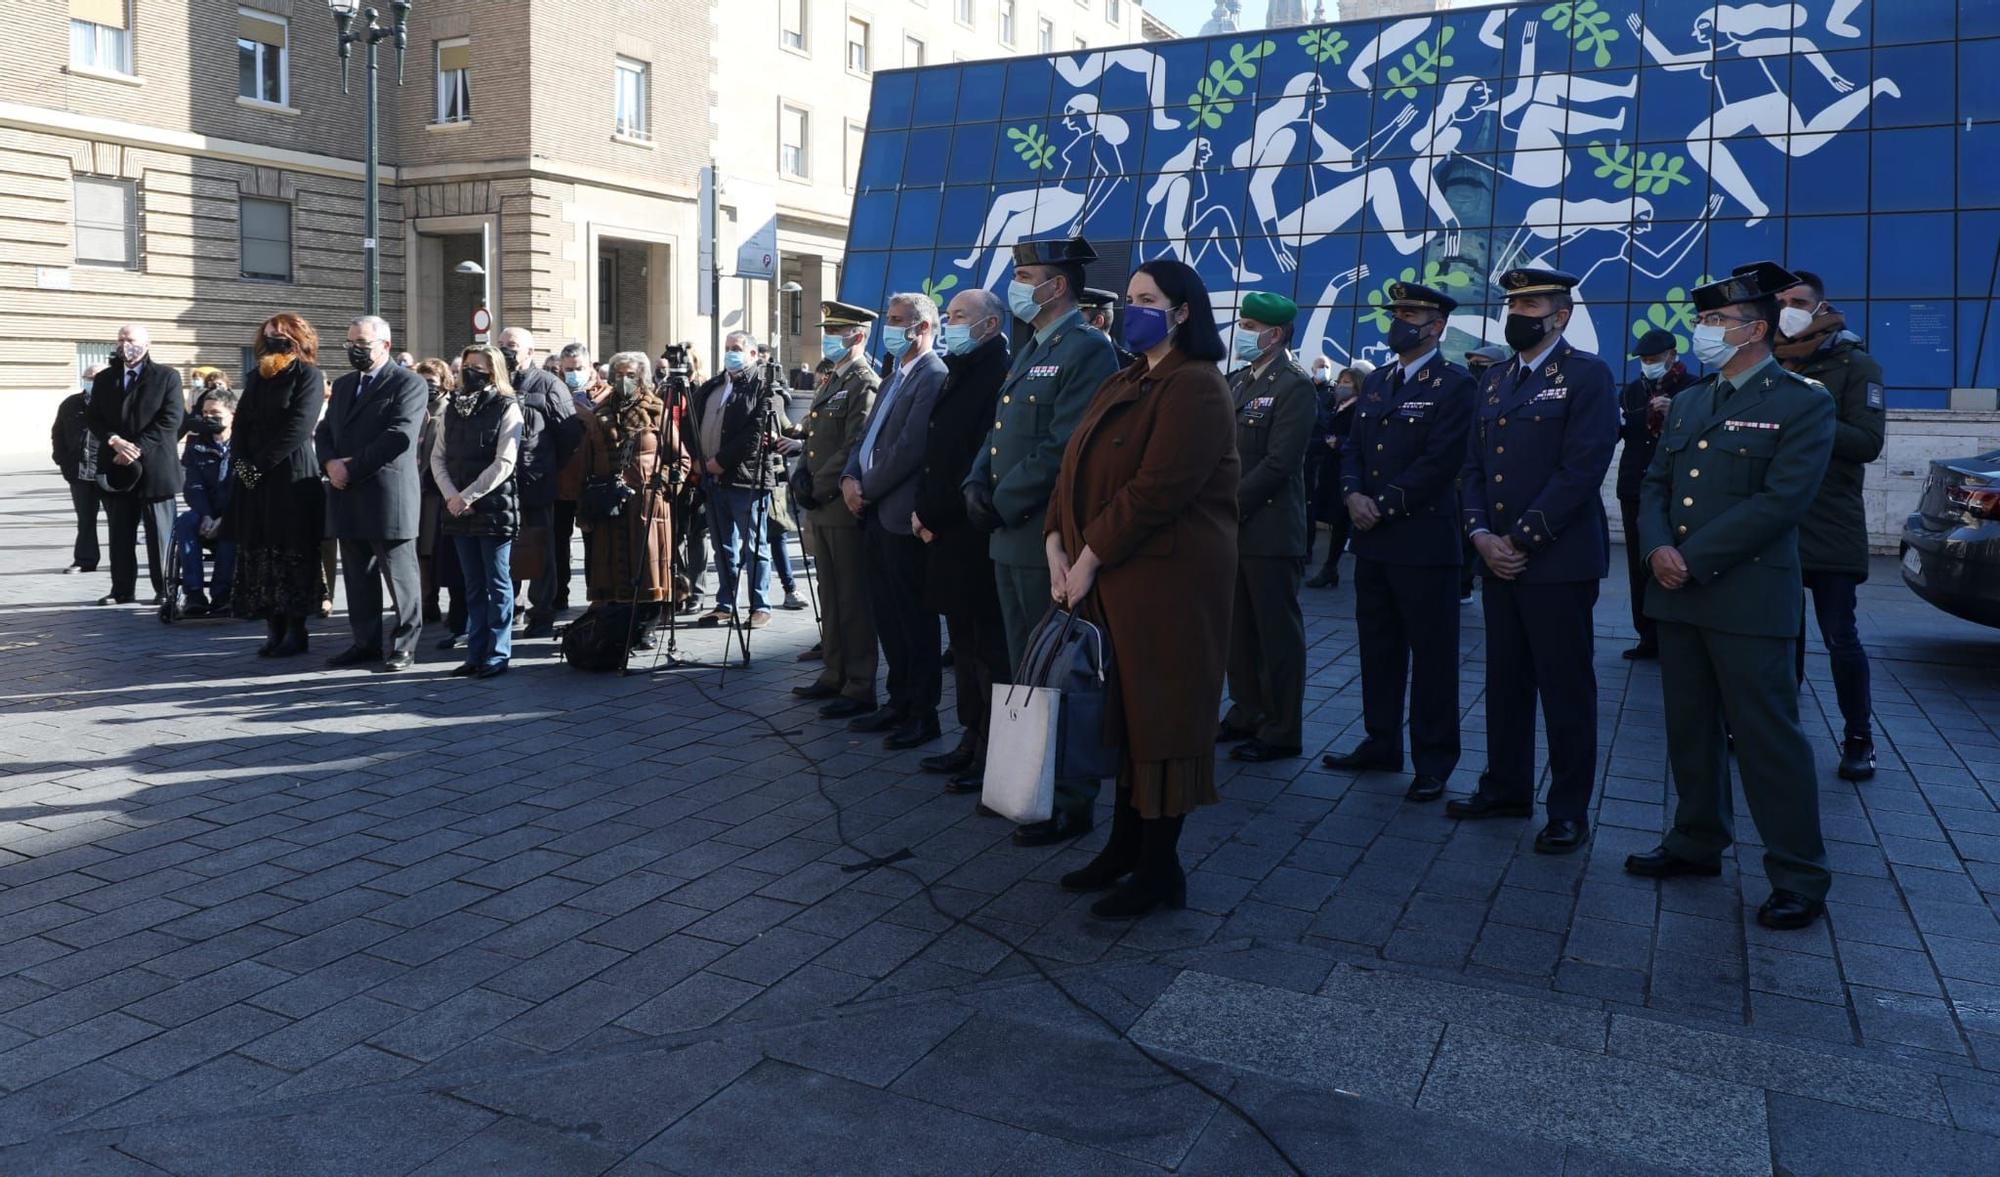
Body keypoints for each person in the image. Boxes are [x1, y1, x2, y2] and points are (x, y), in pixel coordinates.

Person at [1627, 261, 1838, 932]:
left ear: (1756, 329)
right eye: (1704, 320)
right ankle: (1696, 840)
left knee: (1767, 735)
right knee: (1688, 726)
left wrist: (1690, 557)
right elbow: (1655, 485)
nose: (1704, 331)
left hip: (1746, 596)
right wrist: (1657, 548)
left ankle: (1798, 872)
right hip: (1677, 592)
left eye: (1716, 320)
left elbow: (1782, 503)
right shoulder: (1690, 401)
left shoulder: (1802, 400)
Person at [1047, 258, 1238, 920]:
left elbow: (1155, 490)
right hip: (1113, 579)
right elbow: (1074, 465)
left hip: (1168, 588)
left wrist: (1090, 557)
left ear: (1183, 311)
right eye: (1130, 298)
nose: (1133, 309)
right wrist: (1055, 543)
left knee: (1163, 727)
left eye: (1147, 299)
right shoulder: (1129, 377)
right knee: (1124, 722)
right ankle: (1123, 849)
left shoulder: (1196, 387)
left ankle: (1161, 868)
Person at [963, 235, 1120, 848]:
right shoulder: (1034, 345)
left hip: (1042, 535)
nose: (1018, 284)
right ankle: (1024, 782)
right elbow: (999, 432)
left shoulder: (1086, 348)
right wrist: (975, 483)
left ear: (1057, 285)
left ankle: (1068, 800)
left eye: (1027, 275)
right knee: (1019, 667)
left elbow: (1064, 444)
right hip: (1008, 535)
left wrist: (1000, 500)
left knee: (1056, 672)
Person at [1456, 268, 1620, 855]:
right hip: (1496, 558)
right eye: (1513, 303)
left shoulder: (1587, 376)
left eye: (1531, 303)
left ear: (1561, 315)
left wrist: (1519, 540)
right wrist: (1479, 536)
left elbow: (1582, 469)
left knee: (1565, 688)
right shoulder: (1495, 379)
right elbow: (1474, 466)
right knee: (1504, 682)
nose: (1518, 312)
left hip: (1555, 561)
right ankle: (1505, 786)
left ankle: (1569, 809)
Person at [1322, 284, 1474, 803]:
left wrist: (1380, 503)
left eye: (1411, 314)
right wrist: (1352, 494)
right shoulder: (1380, 380)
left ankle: (1433, 760)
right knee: (1378, 648)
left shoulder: (1455, 384)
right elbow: (1352, 450)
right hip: (1374, 543)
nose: (1399, 322)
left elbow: (1442, 460)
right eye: (1397, 313)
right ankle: (1380, 740)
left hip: (1423, 541)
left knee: (1432, 657)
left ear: (1436, 326)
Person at [1776, 268, 1886, 781]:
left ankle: (1859, 736)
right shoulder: (1766, 362)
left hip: (1831, 520)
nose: (1787, 309)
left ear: (1821, 307)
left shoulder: (1856, 364)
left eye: (1798, 300)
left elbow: (1867, 442)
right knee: (1780, 633)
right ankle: (1774, 728)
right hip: (1775, 518)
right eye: (1781, 301)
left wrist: (1809, 411)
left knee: (1840, 635)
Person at [912, 288, 1012, 794]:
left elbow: (980, 458)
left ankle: (992, 747)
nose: (949, 324)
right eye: (948, 316)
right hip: (944, 529)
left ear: (989, 325)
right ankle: (970, 736)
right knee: (964, 643)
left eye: (958, 316)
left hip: (971, 530)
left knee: (989, 648)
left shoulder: (998, 373)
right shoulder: (962, 368)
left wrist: (936, 512)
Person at [842, 292, 949, 749]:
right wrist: (849, 475)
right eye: (888, 319)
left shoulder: (933, 375)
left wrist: (868, 488)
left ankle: (922, 714)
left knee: (914, 621)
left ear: (922, 328)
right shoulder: (893, 377)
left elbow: (910, 448)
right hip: (872, 512)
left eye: (897, 321)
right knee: (887, 615)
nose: (889, 328)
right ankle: (897, 700)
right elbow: (868, 435)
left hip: (898, 515)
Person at [1217, 292, 1315, 763]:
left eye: (1250, 325)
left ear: (1274, 335)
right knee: (1238, 629)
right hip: (1233, 529)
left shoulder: (1294, 384)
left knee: (1276, 633)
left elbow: (1280, 463)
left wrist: (1226, 506)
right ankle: (1247, 710)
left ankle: (1282, 728)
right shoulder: (1239, 381)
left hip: (1270, 529)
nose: (1242, 332)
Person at [316, 315, 429, 672]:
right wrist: (330, 463)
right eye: (350, 344)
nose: (354, 350)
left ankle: (404, 645)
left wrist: (351, 467)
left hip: (386, 495)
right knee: (357, 575)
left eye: (361, 345)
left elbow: (399, 436)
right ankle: (364, 642)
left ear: (385, 346)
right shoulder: (347, 384)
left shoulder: (408, 383)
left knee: (400, 577)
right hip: (346, 493)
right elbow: (324, 431)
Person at [790, 303, 882, 719]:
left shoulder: (863, 381)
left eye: (837, 331)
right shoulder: (834, 379)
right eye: (828, 330)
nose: (829, 337)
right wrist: (800, 475)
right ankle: (834, 672)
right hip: (821, 506)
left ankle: (859, 682)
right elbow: (813, 439)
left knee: (852, 598)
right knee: (830, 596)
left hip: (840, 504)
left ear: (857, 336)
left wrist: (820, 483)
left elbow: (855, 444)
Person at [228, 314, 328, 657]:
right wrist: (241, 464)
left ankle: (296, 630)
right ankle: (272, 626)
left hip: (291, 478)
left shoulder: (309, 376)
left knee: (291, 553)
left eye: (282, 336)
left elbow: (299, 427)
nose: (275, 341)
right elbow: (239, 424)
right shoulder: (256, 377)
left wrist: (259, 465)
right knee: (260, 553)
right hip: (253, 481)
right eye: (270, 335)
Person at [576, 351, 688, 646]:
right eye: (619, 375)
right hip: (609, 505)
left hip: (647, 504)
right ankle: (617, 627)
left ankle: (646, 627)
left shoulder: (656, 411)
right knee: (612, 567)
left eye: (631, 375)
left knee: (649, 569)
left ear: (642, 378)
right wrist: (585, 508)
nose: (624, 381)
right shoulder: (600, 414)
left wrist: (662, 486)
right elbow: (585, 464)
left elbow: (681, 460)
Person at [430, 343, 525, 679]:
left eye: (478, 367)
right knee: (471, 584)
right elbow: (437, 456)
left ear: (493, 371)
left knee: (497, 583)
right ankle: (475, 651)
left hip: (493, 507)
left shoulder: (506, 405)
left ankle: (498, 653)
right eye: (466, 365)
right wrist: (452, 496)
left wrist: (468, 496)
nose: (469, 372)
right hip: (457, 508)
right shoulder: (451, 407)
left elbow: (505, 462)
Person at [690, 332, 786, 629]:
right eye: (727, 348)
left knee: (754, 545)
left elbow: (756, 433)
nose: (731, 353)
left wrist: (720, 462)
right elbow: (689, 423)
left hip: (746, 480)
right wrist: (696, 459)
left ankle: (760, 605)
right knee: (723, 546)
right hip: (710, 480)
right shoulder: (713, 386)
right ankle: (725, 603)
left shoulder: (763, 386)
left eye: (737, 349)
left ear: (754, 354)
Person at [87, 324, 184, 605]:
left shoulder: (167, 376)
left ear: (147, 343)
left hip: (155, 467)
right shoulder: (105, 378)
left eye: (130, 339)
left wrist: (136, 447)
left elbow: (171, 419)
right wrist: (114, 440)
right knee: (120, 534)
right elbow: (94, 418)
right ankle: (121, 589)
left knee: (160, 535)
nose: (124, 344)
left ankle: (165, 589)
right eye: (120, 339)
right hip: (117, 465)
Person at [1616, 329, 1696, 660]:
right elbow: (1620, 429)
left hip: (1675, 487)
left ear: (1672, 356)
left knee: (1670, 559)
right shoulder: (1633, 391)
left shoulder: (1693, 388)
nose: (1648, 365)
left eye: (1654, 359)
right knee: (1639, 563)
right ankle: (1646, 636)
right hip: (1634, 483)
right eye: (1644, 360)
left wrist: (1674, 411)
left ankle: (1675, 636)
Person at [497, 326, 574, 639]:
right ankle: (508, 609)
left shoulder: (548, 384)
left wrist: (546, 465)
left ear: (530, 351)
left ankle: (541, 612)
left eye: (512, 345)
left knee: (540, 549)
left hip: (535, 482)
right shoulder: (496, 382)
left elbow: (568, 435)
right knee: (505, 548)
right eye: (501, 344)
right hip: (499, 486)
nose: (505, 350)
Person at [1305, 360, 1371, 589]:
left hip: (1345, 473)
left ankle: (1330, 567)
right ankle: (1321, 562)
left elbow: (1360, 442)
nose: (1341, 386)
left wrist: (1338, 443)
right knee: (1320, 512)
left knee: (1342, 520)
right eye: (1341, 382)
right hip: (1329, 469)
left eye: (1347, 383)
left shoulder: (1358, 409)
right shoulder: (1338, 405)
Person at [172, 387, 237, 616]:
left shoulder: (245, 447)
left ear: (232, 414)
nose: (209, 417)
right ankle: (194, 594)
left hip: (234, 513)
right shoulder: (196, 445)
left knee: (233, 528)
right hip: (204, 511)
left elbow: (248, 486)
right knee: (184, 522)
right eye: (205, 413)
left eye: (215, 412)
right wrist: (207, 515)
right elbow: (193, 485)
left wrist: (223, 517)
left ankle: (222, 595)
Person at [554, 342, 605, 612]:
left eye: (579, 368)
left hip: (591, 482)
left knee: (594, 546)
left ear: (590, 367)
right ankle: (558, 595)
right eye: (569, 369)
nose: (574, 374)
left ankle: (595, 597)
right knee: (557, 544)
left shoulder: (606, 394)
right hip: (559, 481)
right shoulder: (554, 392)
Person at [412, 359, 459, 632]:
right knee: (418, 549)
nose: (428, 387)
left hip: (438, 493)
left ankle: (450, 605)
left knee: (436, 548)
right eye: (423, 381)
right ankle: (425, 602)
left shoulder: (449, 410)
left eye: (433, 381)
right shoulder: (413, 408)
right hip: (413, 490)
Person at [51, 368, 103, 575]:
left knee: (119, 521)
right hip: (79, 471)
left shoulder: (114, 402)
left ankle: (122, 564)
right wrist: (61, 460)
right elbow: (57, 433)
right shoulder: (71, 403)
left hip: (108, 471)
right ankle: (85, 559)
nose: (91, 381)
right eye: (88, 377)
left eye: (96, 378)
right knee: (85, 518)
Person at [1077, 287, 1135, 367]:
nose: (1072, 324)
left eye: (1078, 319)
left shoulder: (1128, 365)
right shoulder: (1066, 355)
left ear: (1098, 321)